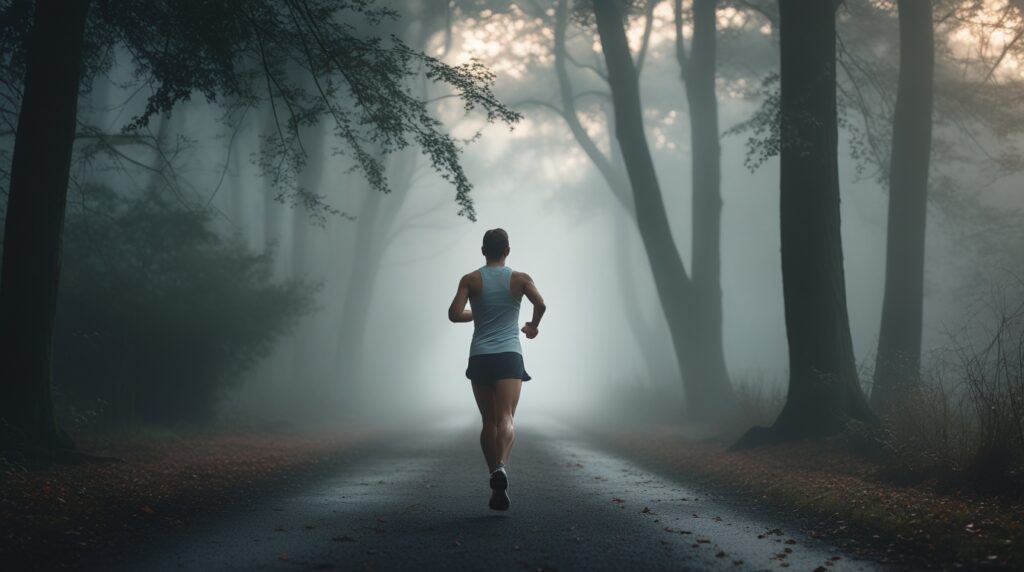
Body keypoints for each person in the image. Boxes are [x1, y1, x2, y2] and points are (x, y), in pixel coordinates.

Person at [448, 228, 546, 511]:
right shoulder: (520, 279)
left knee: (488, 422)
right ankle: (501, 467)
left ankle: (495, 479)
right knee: (506, 418)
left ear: (482, 251)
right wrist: (532, 326)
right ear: (507, 251)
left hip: (480, 356)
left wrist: (477, 313)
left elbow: (454, 314)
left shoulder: (470, 280)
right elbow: (540, 304)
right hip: (508, 356)